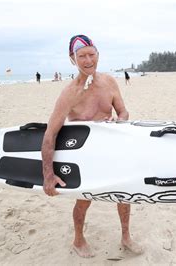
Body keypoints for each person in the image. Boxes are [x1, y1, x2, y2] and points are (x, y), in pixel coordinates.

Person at [41, 34, 143, 258]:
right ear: (72, 59)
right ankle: (78, 240)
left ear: (98, 55)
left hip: (112, 148)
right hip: (85, 154)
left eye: (91, 55)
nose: (88, 61)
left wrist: (120, 121)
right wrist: (48, 175)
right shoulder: (69, 94)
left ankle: (126, 237)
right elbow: (50, 135)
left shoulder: (109, 82)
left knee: (124, 195)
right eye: (82, 56)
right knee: (84, 199)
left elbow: (123, 112)